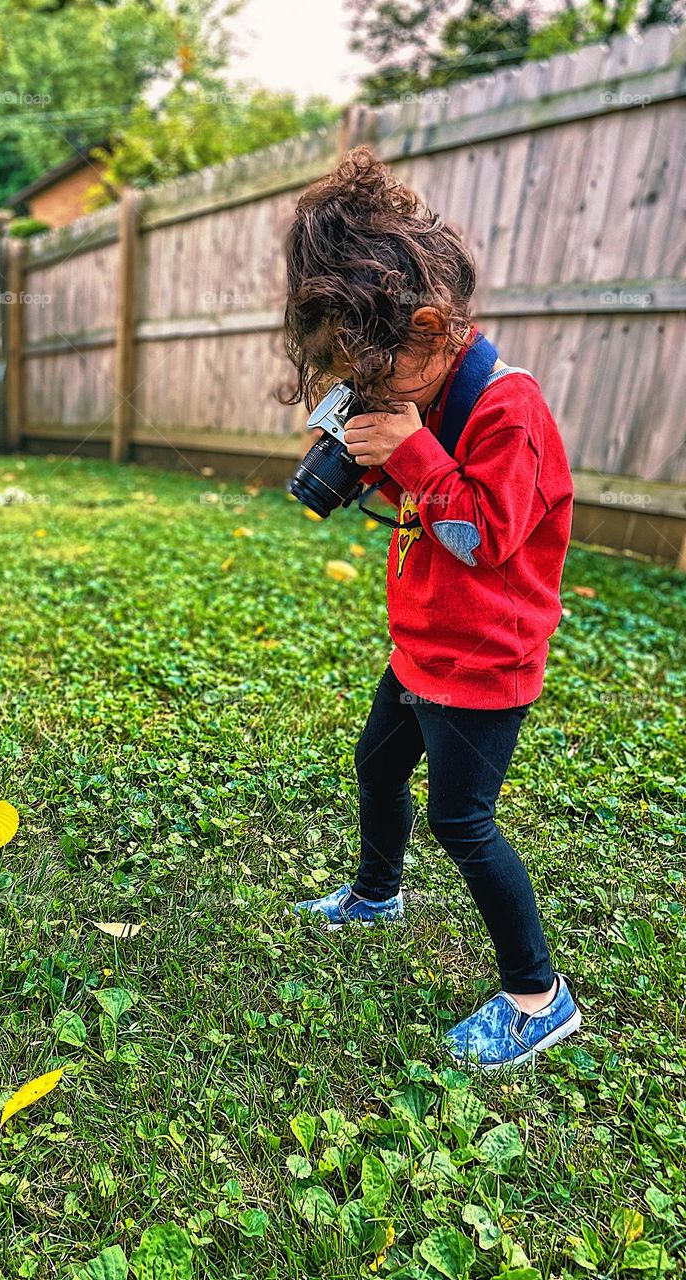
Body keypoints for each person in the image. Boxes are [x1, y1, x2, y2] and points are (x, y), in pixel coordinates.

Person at [282, 146, 581, 1069]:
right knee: (377, 767)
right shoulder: (431, 394)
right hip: (422, 649)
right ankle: (378, 894)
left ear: (429, 328)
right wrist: (372, 455)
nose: (368, 395)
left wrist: (411, 452)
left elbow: (480, 537)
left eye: (373, 378)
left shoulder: (507, 411)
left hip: (483, 666)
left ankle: (538, 997)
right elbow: (425, 495)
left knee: (463, 822)